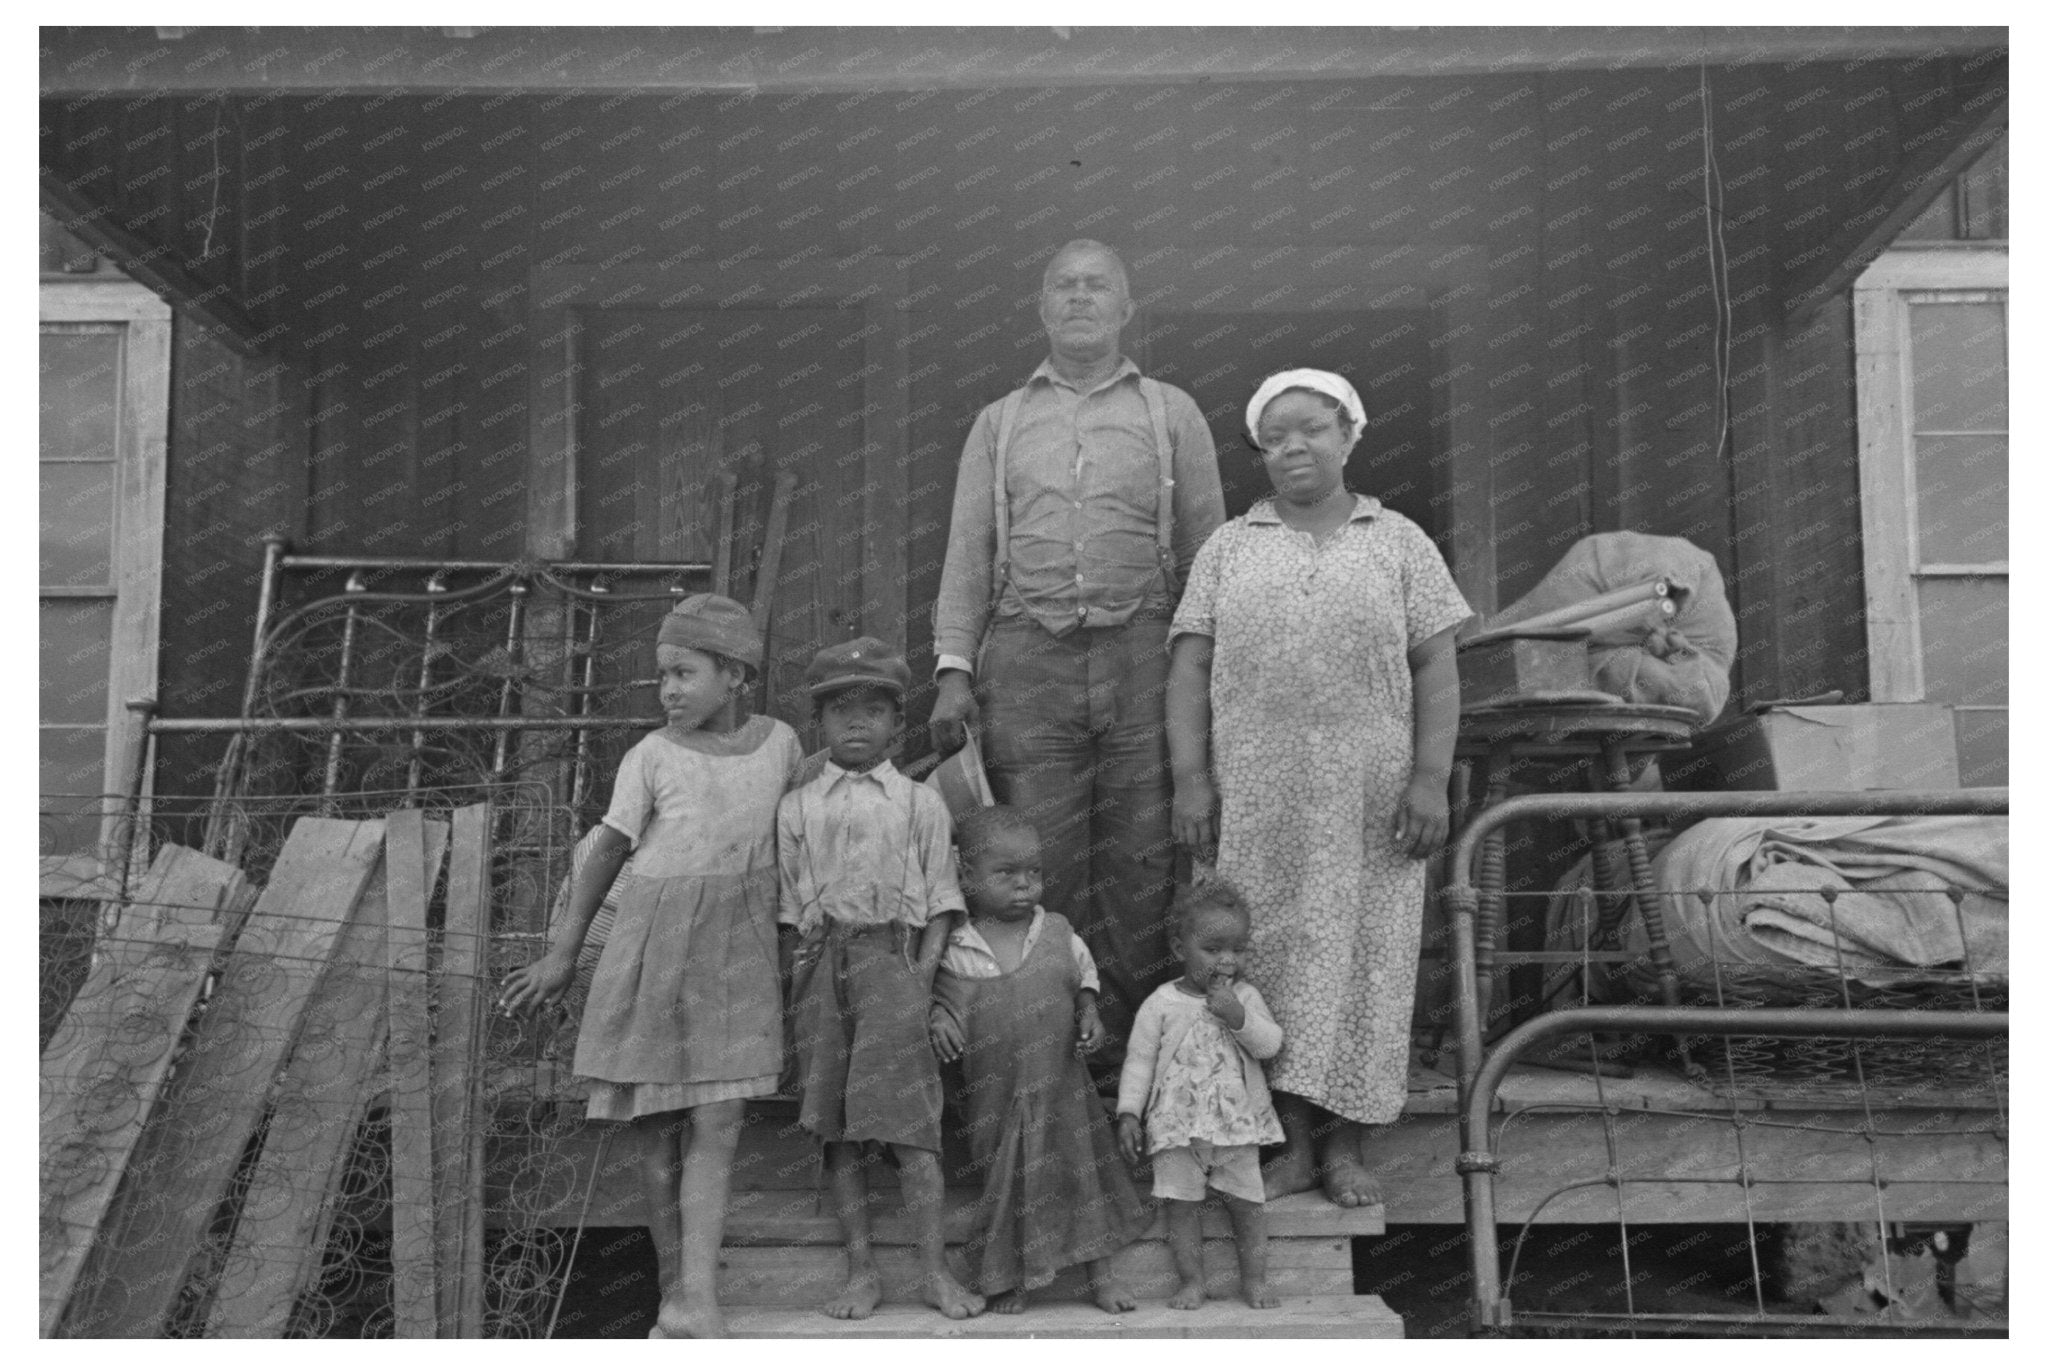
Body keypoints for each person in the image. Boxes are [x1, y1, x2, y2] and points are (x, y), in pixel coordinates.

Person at [1165, 368, 1470, 1209]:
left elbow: (1436, 663)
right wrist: (1192, 781)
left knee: (1363, 961)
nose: (1293, 447)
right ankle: (1289, 1143)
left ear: (1349, 435)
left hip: (1369, 802)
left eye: (1312, 429)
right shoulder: (1230, 547)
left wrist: (1429, 779)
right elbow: (1189, 666)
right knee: (1260, 961)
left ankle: (1347, 1147)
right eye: (1274, 436)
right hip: (1255, 800)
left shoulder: (1399, 541)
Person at [930, 239, 1225, 1047]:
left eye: (1099, 286)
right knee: (1036, 857)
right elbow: (968, 554)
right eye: (1065, 284)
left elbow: (1211, 559)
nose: (1081, 297)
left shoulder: (1172, 412)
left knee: (1140, 862)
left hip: (1145, 659)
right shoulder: (1001, 422)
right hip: (1028, 659)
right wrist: (955, 669)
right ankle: (1046, 1053)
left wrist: (1207, 678)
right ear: (1042, 306)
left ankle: (1134, 1058)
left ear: (1127, 308)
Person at [498, 594, 802, 1339]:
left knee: (721, 1117)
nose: (668, 690)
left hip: (741, 952)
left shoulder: (782, 744)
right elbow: (606, 850)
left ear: (734, 674)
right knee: (655, 1123)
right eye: (662, 675)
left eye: (684, 673)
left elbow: (798, 839)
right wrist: (564, 953)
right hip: (656, 948)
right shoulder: (651, 755)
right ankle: (674, 1290)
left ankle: (698, 1293)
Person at [777, 637, 983, 1322]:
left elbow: (944, 902)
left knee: (911, 1125)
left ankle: (933, 1270)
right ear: (820, 723)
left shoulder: (920, 804)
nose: (856, 723)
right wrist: (798, 981)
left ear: (899, 724)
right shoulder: (798, 806)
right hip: (820, 964)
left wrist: (918, 981)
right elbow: (787, 906)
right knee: (837, 1127)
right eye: (840, 711)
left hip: (893, 961)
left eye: (873, 710)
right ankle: (860, 1270)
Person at [928, 805, 1147, 1315]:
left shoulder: (1057, 930)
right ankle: (1013, 1273)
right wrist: (938, 1018)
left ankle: (1102, 1274)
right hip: (995, 1097)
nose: (1024, 885)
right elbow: (938, 1000)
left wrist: (1089, 1011)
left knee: (1083, 1175)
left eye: (1034, 872)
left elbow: (1082, 979)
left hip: (1061, 1088)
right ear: (967, 876)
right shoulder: (956, 945)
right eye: (1005, 873)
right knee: (1010, 1186)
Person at [1114, 880, 1284, 1310]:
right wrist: (1129, 1113)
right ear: (1179, 948)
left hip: (1236, 1127)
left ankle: (1256, 1280)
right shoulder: (1161, 1003)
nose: (1228, 960)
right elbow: (1139, 1060)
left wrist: (1239, 1017)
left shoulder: (1246, 996)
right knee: (1181, 1208)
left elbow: (1270, 1046)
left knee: (1247, 1205)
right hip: (1177, 1128)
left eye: (1238, 949)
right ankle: (1192, 1282)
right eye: (1213, 949)